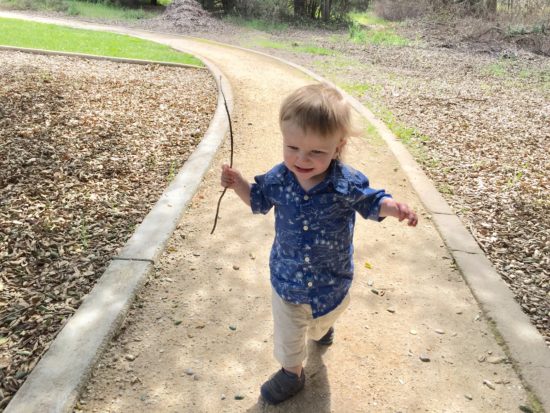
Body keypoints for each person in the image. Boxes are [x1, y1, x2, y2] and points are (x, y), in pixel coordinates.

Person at [220, 83, 418, 405]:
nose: (301, 159)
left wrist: (394, 208)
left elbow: (372, 202)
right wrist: (238, 183)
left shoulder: (345, 183)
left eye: (316, 152)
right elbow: (257, 200)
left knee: (327, 315)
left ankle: (322, 328)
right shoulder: (278, 179)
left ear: (337, 147)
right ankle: (291, 372)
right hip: (288, 280)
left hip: (331, 279)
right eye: (292, 147)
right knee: (290, 334)